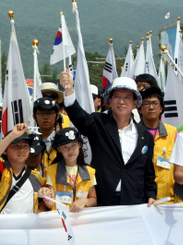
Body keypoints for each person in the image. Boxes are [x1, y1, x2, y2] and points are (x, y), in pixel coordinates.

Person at [61, 72, 157, 206]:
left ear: (135, 103)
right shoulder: (98, 123)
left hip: (134, 201)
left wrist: (151, 195)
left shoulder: (144, 135)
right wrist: (69, 90)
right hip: (103, 200)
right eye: (117, 96)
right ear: (110, 100)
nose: (121, 101)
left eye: (127, 97)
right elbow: (79, 117)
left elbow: (148, 173)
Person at [0, 124, 50, 214]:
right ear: (5, 151)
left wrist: (42, 206)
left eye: (25, 145)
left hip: (26, 227)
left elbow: (43, 201)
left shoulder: (35, 177)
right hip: (2, 226)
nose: (21, 149)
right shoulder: (2, 171)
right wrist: (13, 135)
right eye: (16, 146)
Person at [40, 128, 97, 212]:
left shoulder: (90, 171)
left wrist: (85, 200)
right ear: (59, 149)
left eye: (73, 145)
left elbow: (94, 200)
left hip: (82, 221)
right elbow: (51, 204)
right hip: (60, 221)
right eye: (65, 147)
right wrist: (46, 196)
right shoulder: (52, 171)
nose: (70, 150)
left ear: (79, 145)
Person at [138, 86, 177, 202]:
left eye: (155, 103)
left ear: (161, 108)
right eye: (146, 104)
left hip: (167, 198)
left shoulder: (172, 132)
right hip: (141, 199)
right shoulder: (133, 133)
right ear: (139, 109)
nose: (151, 107)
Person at [32, 97, 60, 167]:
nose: (45, 117)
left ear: (57, 116)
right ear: (34, 117)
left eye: (50, 113)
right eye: (41, 113)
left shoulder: (61, 140)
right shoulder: (29, 141)